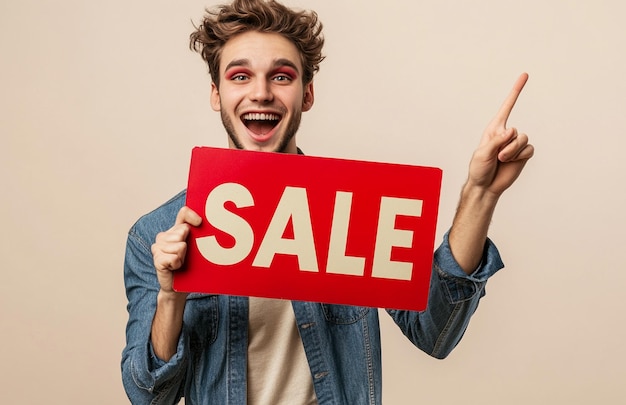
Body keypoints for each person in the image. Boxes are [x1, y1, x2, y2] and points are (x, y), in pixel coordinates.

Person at [121, 0, 534, 403]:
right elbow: (149, 395)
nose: (261, 93)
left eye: (281, 77)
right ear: (217, 93)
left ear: (307, 94)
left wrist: (480, 193)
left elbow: (435, 331)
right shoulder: (156, 235)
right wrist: (171, 296)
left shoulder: (349, 209)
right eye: (240, 77)